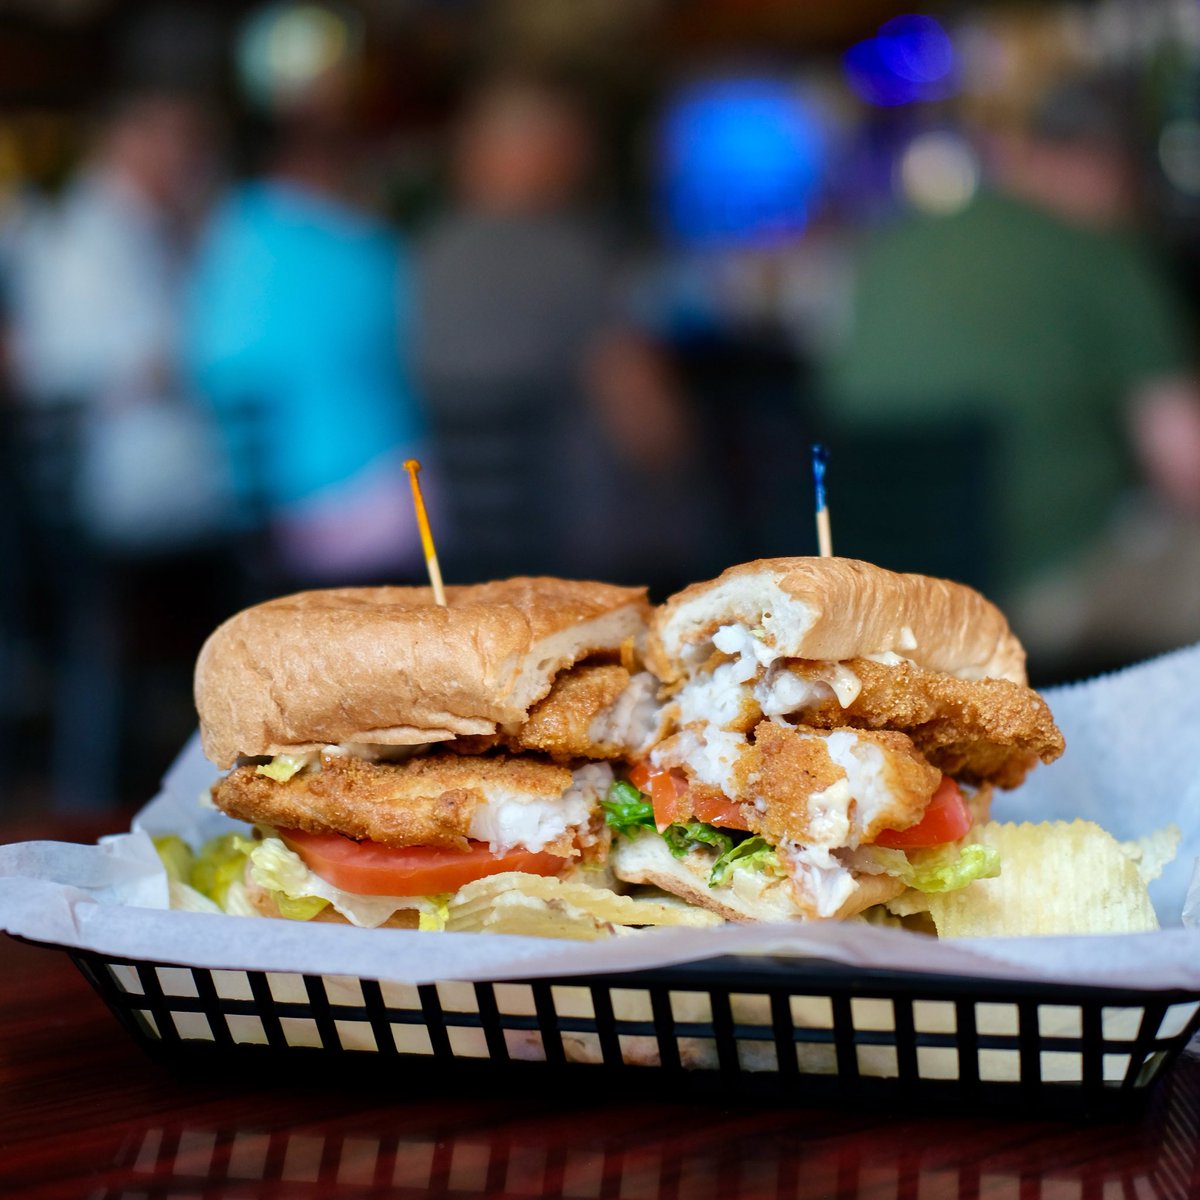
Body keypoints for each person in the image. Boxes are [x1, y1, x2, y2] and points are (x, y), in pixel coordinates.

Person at [824, 79, 1200, 666]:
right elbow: (1185, 468)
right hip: (1038, 593)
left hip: (886, 605)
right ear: (1108, 163)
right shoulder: (1100, 250)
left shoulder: (895, 247)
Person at [417, 75, 695, 587]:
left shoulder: (425, 256)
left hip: (462, 549)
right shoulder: (572, 258)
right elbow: (648, 426)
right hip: (587, 552)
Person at [186, 101, 426, 589]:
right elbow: (422, 339)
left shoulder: (227, 236)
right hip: (346, 502)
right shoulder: (357, 246)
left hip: (247, 508)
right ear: (319, 162)